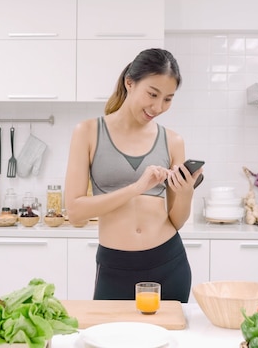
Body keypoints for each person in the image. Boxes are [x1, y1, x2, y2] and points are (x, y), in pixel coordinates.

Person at [64, 48, 203, 303]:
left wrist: (186, 192)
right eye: (152, 94)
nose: (158, 107)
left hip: (169, 262)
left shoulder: (173, 141)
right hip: (115, 267)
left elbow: (177, 220)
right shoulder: (88, 132)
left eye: (168, 99)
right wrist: (137, 187)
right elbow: (74, 212)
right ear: (130, 82)